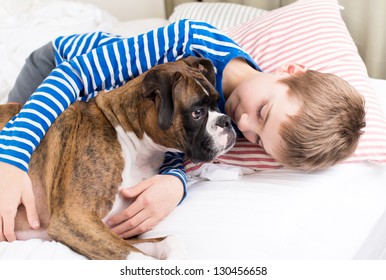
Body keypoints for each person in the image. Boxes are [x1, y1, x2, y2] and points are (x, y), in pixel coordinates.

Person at [0, 19, 366, 242]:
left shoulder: (222, 122)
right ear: (292, 71)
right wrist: (12, 156)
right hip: (60, 72)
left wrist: (177, 183)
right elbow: (74, 76)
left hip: (101, 124)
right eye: (263, 111)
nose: (244, 123)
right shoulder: (189, 40)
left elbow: (174, 143)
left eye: (256, 137)